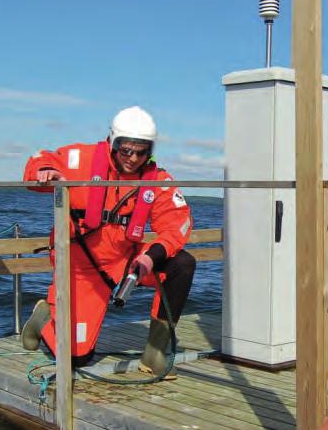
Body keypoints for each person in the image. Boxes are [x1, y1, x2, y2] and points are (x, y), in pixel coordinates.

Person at [20, 106, 196, 378]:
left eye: (141, 151)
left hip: (125, 261)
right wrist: (45, 172)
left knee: (182, 264)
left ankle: (156, 354)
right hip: (80, 267)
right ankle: (44, 317)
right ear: (112, 142)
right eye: (126, 150)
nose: (133, 158)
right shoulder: (80, 159)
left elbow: (177, 223)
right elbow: (41, 159)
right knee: (76, 357)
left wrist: (150, 257)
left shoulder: (158, 180)